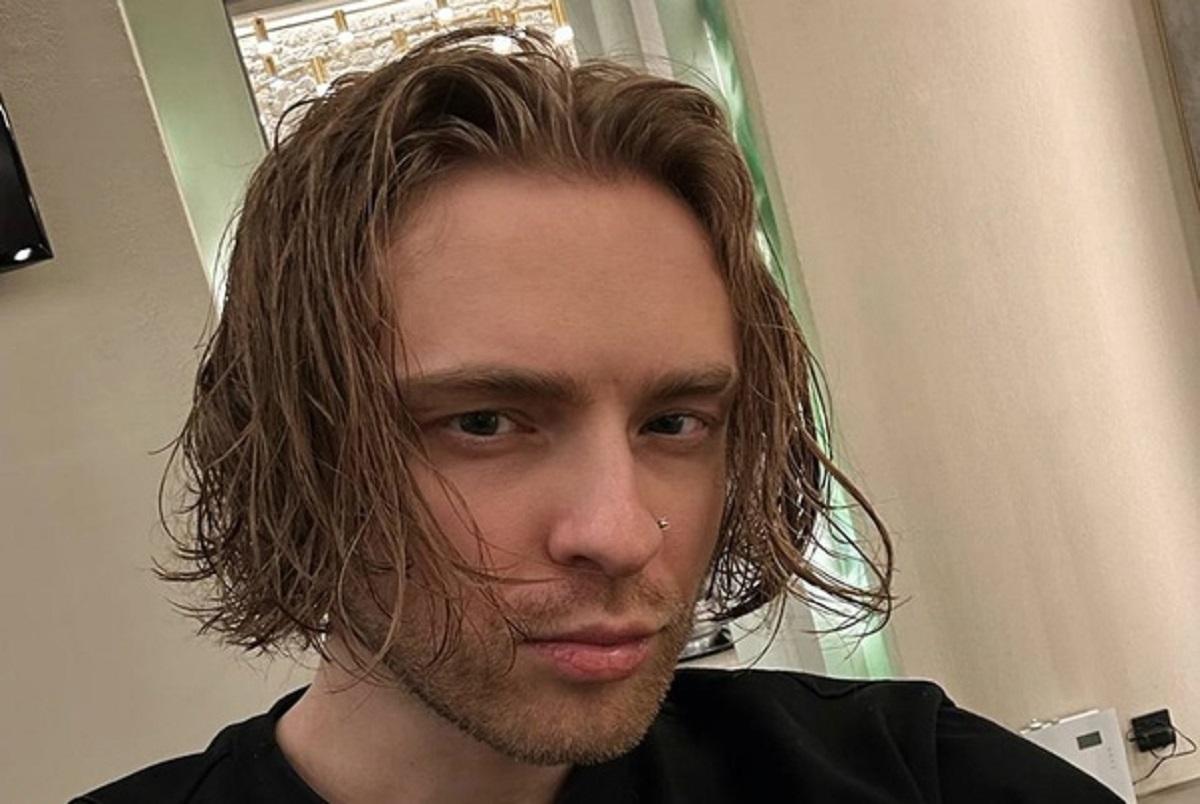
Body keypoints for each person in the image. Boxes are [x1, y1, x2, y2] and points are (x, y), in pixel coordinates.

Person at [74, 24, 1121, 804]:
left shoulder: (914, 775)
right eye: (485, 422)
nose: (622, 535)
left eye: (673, 423)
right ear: (287, 440)